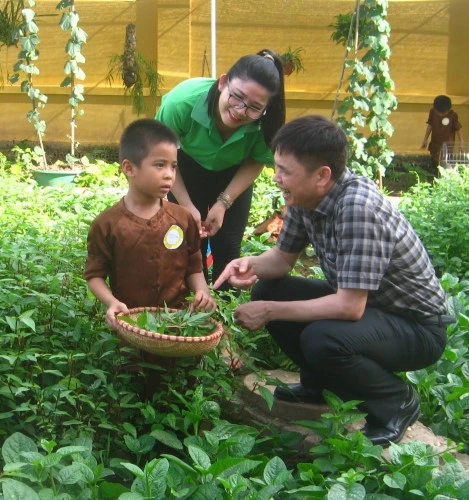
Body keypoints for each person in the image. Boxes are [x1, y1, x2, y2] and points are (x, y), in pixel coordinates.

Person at [214, 115, 452, 447]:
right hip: (370, 308)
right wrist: (248, 264)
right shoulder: (304, 198)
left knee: (322, 337)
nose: (277, 178)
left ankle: (395, 401)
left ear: (322, 175)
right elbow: (282, 260)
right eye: (277, 167)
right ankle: (320, 388)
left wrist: (269, 311)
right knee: (269, 287)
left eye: (285, 171)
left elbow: (349, 307)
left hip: (417, 327)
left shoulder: (358, 209)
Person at [155, 49, 286, 289]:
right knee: (189, 241)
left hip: (233, 173)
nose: (240, 111)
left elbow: (256, 160)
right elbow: (162, 156)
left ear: (265, 108)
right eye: (237, 97)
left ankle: (226, 312)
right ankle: (195, 305)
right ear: (223, 82)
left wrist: (223, 202)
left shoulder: (266, 122)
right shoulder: (182, 101)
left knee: (228, 244)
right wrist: (186, 205)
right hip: (184, 167)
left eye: (254, 107)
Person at [84, 118, 216, 331]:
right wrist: (111, 302)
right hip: (130, 325)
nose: (169, 174)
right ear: (129, 168)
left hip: (177, 324)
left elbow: (194, 266)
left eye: (173, 166)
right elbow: (94, 275)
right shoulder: (107, 224)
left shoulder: (182, 219)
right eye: (159, 165)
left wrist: (202, 292)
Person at [421, 95, 463, 168]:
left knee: (444, 162)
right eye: (438, 113)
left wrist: (461, 142)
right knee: (434, 160)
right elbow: (430, 125)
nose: (440, 115)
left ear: (449, 109)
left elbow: (458, 128)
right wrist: (425, 139)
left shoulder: (453, 115)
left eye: (443, 113)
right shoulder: (432, 112)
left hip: (447, 145)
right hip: (435, 142)